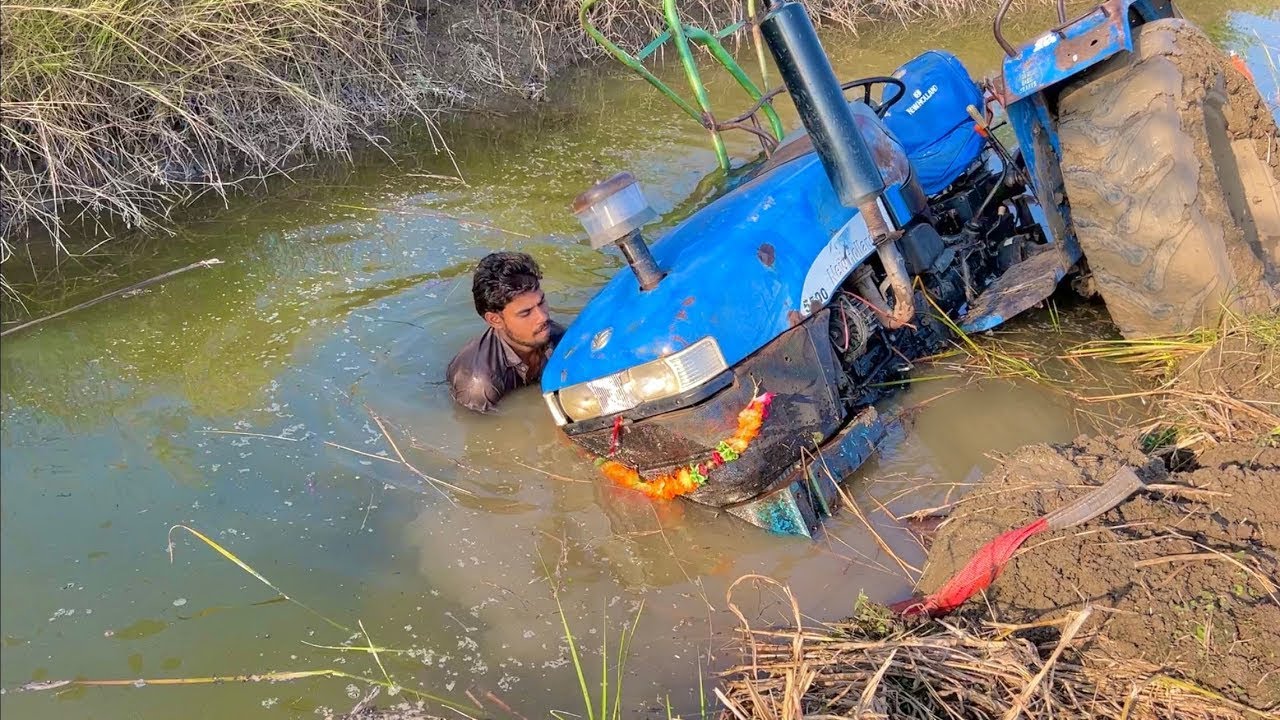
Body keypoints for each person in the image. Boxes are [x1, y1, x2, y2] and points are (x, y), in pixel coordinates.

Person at [446, 251, 565, 413]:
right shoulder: (479, 387)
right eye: (526, 313)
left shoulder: (556, 337)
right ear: (495, 320)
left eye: (541, 302)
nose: (543, 316)